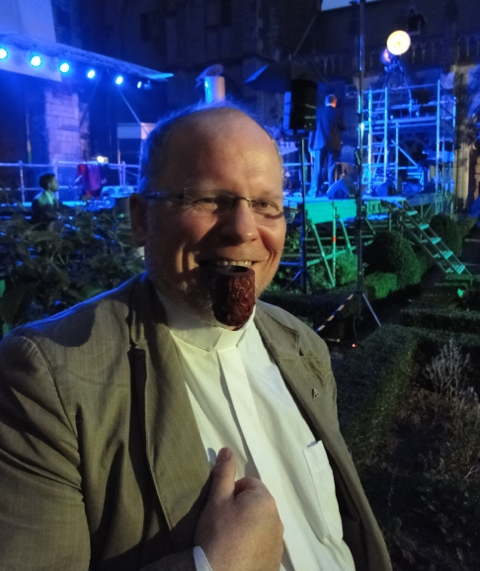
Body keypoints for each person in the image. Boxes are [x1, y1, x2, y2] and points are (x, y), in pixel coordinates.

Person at [0, 103, 391, 571]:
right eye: (208, 199)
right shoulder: (48, 380)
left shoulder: (302, 346)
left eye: (266, 205)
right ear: (142, 218)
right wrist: (213, 566)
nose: (244, 229)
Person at [308, 94, 346, 197]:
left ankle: (314, 191)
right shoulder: (337, 112)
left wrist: (310, 145)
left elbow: (312, 128)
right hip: (333, 144)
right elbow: (343, 127)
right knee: (331, 168)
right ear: (335, 102)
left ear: (325, 102)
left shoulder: (318, 111)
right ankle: (331, 191)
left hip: (319, 144)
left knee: (317, 168)